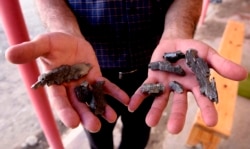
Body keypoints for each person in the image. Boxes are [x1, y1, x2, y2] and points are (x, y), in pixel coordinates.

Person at [5, 0, 247, 148]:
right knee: (97, 136)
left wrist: (177, 31)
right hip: (90, 71)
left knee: (138, 135)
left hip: (152, 68)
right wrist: (63, 28)